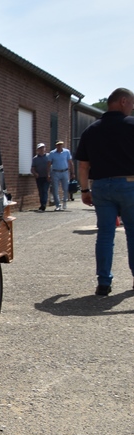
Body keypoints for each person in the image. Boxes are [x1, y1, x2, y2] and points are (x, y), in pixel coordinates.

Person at [75, 87, 134, 296]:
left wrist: (84, 190)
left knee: (105, 234)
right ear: (123, 101)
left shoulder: (91, 130)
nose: (132, 108)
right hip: (129, 185)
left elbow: (83, 165)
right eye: (132, 104)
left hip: (100, 186)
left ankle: (103, 283)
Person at [48, 140, 74, 211]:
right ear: (56, 146)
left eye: (61, 145)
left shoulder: (66, 152)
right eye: (58, 145)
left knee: (65, 188)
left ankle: (64, 201)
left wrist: (72, 172)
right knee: (55, 189)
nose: (60, 146)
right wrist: (48, 174)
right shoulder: (52, 153)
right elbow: (49, 164)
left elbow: (70, 162)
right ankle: (58, 205)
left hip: (65, 172)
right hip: (55, 172)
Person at [30, 143, 51, 211]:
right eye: (40, 148)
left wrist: (50, 174)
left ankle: (43, 205)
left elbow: (52, 165)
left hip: (47, 177)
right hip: (39, 177)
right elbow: (32, 169)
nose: (41, 149)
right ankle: (42, 204)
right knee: (40, 191)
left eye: (43, 148)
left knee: (45, 190)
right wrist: (35, 173)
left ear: (45, 149)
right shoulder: (35, 159)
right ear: (37, 150)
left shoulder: (49, 156)